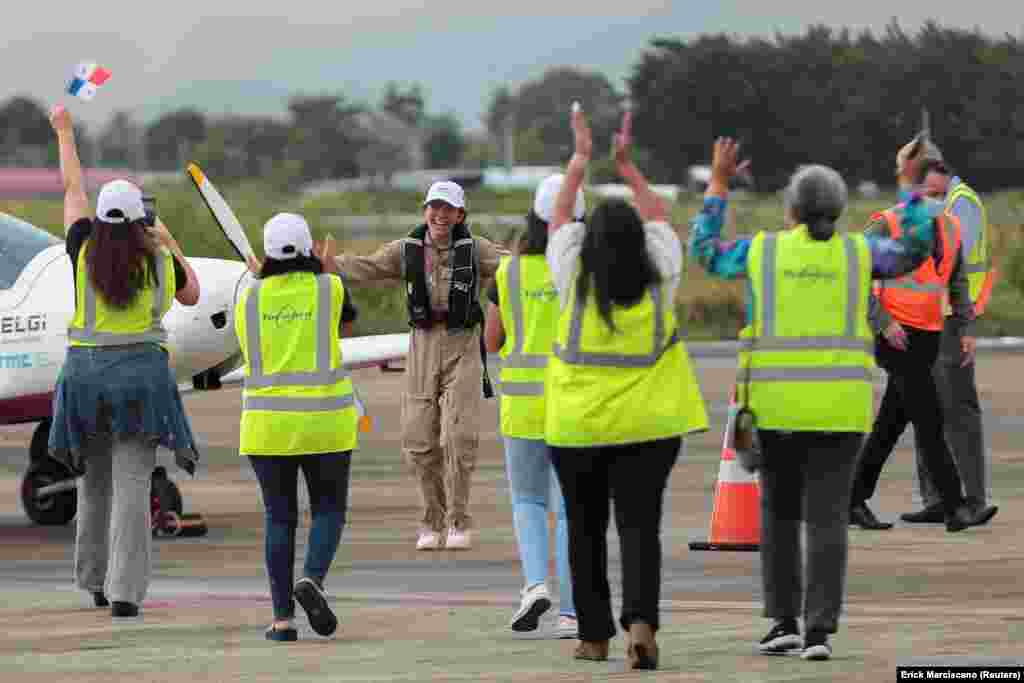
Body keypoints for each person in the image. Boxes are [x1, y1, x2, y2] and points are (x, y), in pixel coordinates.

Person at [689, 137, 981, 661]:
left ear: (792, 210)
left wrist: (718, 183)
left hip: (777, 408)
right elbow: (916, 246)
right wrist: (909, 185)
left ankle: (783, 622)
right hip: (841, 408)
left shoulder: (763, 251)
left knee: (779, 516)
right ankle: (820, 631)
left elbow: (706, 250)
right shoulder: (860, 252)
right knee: (827, 520)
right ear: (841, 209)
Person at [544, 105, 708, 672]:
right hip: (650, 426)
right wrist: (628, 166)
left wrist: (580, 160)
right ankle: (641, 624)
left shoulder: (569, 273)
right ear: (641, 238)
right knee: (641, 530)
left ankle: (593, 636)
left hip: (577, 425)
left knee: (583, 530)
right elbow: (660, 217)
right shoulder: (661, 270)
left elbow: (560, 217)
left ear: (588, 241)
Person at [45, 104, 201, 619]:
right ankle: (125, 594)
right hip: (142, 376)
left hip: (85, 376)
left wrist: (65, 131)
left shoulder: (81, 247)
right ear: (142, 219)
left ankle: (91, 581)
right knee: (132, 484)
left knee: (93, 480)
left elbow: (72, 190)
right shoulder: (157, 257)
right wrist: (170, 242)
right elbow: (194, 295)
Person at [334, 181, 508, 550]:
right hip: (422, 344)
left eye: (448, 209)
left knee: (458, 435)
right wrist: (326, 265)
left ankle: (459, 519)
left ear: (461, 215)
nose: (440, 215)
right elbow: (366, 266)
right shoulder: (406, 250)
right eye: (434, 207)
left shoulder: (477, 249)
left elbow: (515, 268)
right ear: (425, 210)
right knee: (418, 440)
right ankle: (432, 519)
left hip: (463, 343)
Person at [851, 138, 996, 531]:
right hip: (895, 335)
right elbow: (856, 274)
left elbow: (959, 279)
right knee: (930, 420)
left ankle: (852, 497)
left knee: (891, 422)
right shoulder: (888, 222)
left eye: (938, 194)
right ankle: (955, 505)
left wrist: (965, 328)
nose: (932, 200)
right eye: (925, 192)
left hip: (930, 333)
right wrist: (882, 321)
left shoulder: (949, 226)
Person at [236, 214, 358, 642]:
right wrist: (324, 269)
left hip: (266, 429)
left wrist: (262, 280)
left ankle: (282, 619)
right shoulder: (330, 288)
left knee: (279, 517)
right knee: (328, 510)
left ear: (267, 251)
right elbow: (346, 319)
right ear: (309, 249)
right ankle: (312, 579)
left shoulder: (247, 299)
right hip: (325, 424)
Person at [483, 174, 582, 639]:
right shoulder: (584, 271)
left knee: (527, 499)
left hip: (521, 403)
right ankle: (571, 613)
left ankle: (534, 585)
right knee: (569, 509)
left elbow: (492, 339)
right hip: (572, 402)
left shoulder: (509, 273)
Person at [897, 142, 998, 525]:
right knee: (928, 408)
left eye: (925, 183)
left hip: (953, 319)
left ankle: (971, 498)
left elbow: (950, 258)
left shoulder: (962, 202)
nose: (921, 191)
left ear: (938, 174)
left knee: (957, 410)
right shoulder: (936, 203)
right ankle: (938, 497)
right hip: (926, 319)